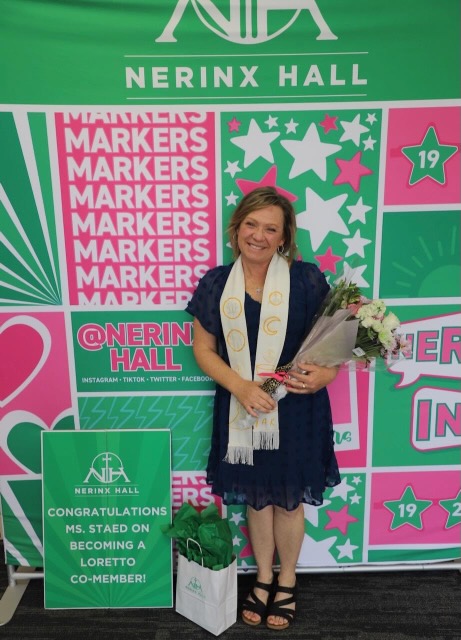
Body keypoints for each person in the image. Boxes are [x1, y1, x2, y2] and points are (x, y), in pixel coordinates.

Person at [185, 186, 340, 630]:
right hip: (242, 408)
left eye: (271, 228)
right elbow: (203, 348)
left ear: (284, 236)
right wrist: (240, 387)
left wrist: (326, 374)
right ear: (237, 229)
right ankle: (264, 576)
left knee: (289, 503)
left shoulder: (307, 279)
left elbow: (330, 344)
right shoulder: (216, 283)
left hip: (296, 410)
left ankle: (286, 581)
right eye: (251, 224)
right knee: (256, 499)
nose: (259, 235)